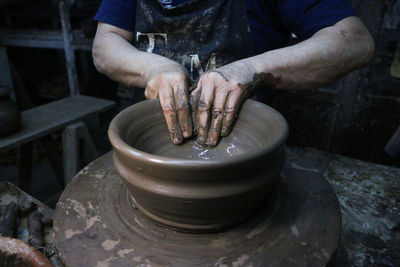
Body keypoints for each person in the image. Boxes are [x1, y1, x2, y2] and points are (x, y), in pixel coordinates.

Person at [92, 0, 374, 147]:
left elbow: (355, 42)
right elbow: (106, 43)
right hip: (148, 138)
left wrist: (251, 69)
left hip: (244, 139)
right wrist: (155, 68)